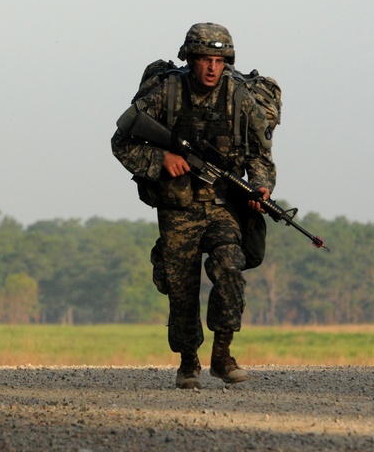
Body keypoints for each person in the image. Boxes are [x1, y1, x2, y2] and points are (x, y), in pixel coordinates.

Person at [111, 23, 275, 389]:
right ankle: (189, 362)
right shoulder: (166, 92)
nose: (212, 68)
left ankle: (222, 354)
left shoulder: (239, 97)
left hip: (222, 206)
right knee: (181, 288)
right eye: (204, 59)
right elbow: (122, 140)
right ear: (191, 60)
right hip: (178, 206)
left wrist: (261, 186)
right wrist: (161, 160)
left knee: (230, 266)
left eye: (219, 60)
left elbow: (260, 156)